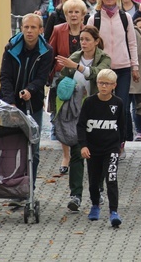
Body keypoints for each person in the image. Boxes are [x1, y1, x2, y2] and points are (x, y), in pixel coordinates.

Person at [55, 26, 112, 213]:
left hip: (98, 111)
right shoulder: (74, 57)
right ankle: (76, 195)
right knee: (77, 152)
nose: (83, 43)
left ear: (96, 41)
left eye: (87, 39)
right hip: (76, 112)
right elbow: (62, 81)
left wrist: (77, 68)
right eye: (81, 39)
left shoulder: (104, 58)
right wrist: (66, 77)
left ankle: (99, 190)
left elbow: (99, 74)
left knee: (98, 154)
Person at [0, 13, 53, 188]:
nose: (29, 31)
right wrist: (10, 102)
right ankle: (10, 185)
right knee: (10, 146)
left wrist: (30, 90)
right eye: (26, 27)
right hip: (10, 102)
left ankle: (29, 188)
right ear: (21, 28)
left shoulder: (47, 50)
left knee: (33, 149)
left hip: (33, 104)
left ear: (41, 30)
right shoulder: (11, 47)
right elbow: (4, 77)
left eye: (33, 27)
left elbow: (42, 77)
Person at [86, 0, 140, 158]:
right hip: (102, 69)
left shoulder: (125, 18)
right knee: (101, 108)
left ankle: (120, 144)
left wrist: (135, 66)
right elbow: (87, 43)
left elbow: (132, 43)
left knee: (122, 108)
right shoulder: (94, 19)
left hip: (123, 68)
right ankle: (102, 143)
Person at [77, 69, 125, 227]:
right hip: (93, 149)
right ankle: (95, 205)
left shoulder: (118, 103)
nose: (103, 86)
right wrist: (83, 145)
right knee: (93, 181)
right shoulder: (89, 102)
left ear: (114, 85)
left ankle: (114, 212)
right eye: (101, 83)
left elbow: (122, 126)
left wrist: (120, 145)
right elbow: (81, 125)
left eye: (107, 83)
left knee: (111, 178)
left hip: (111, 149)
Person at [49, 0, 86, 171]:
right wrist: (49, 78)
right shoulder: (58, 30)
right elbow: (50, 54)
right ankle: (65, 156)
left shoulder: (89, 31)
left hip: (83, 79)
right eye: (70, 12)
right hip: (61, 79)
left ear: (83, 14)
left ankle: (80, 153)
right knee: (62, 116)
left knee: (81, 116)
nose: (73, 15)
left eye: (76, 12)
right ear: (65, 14)